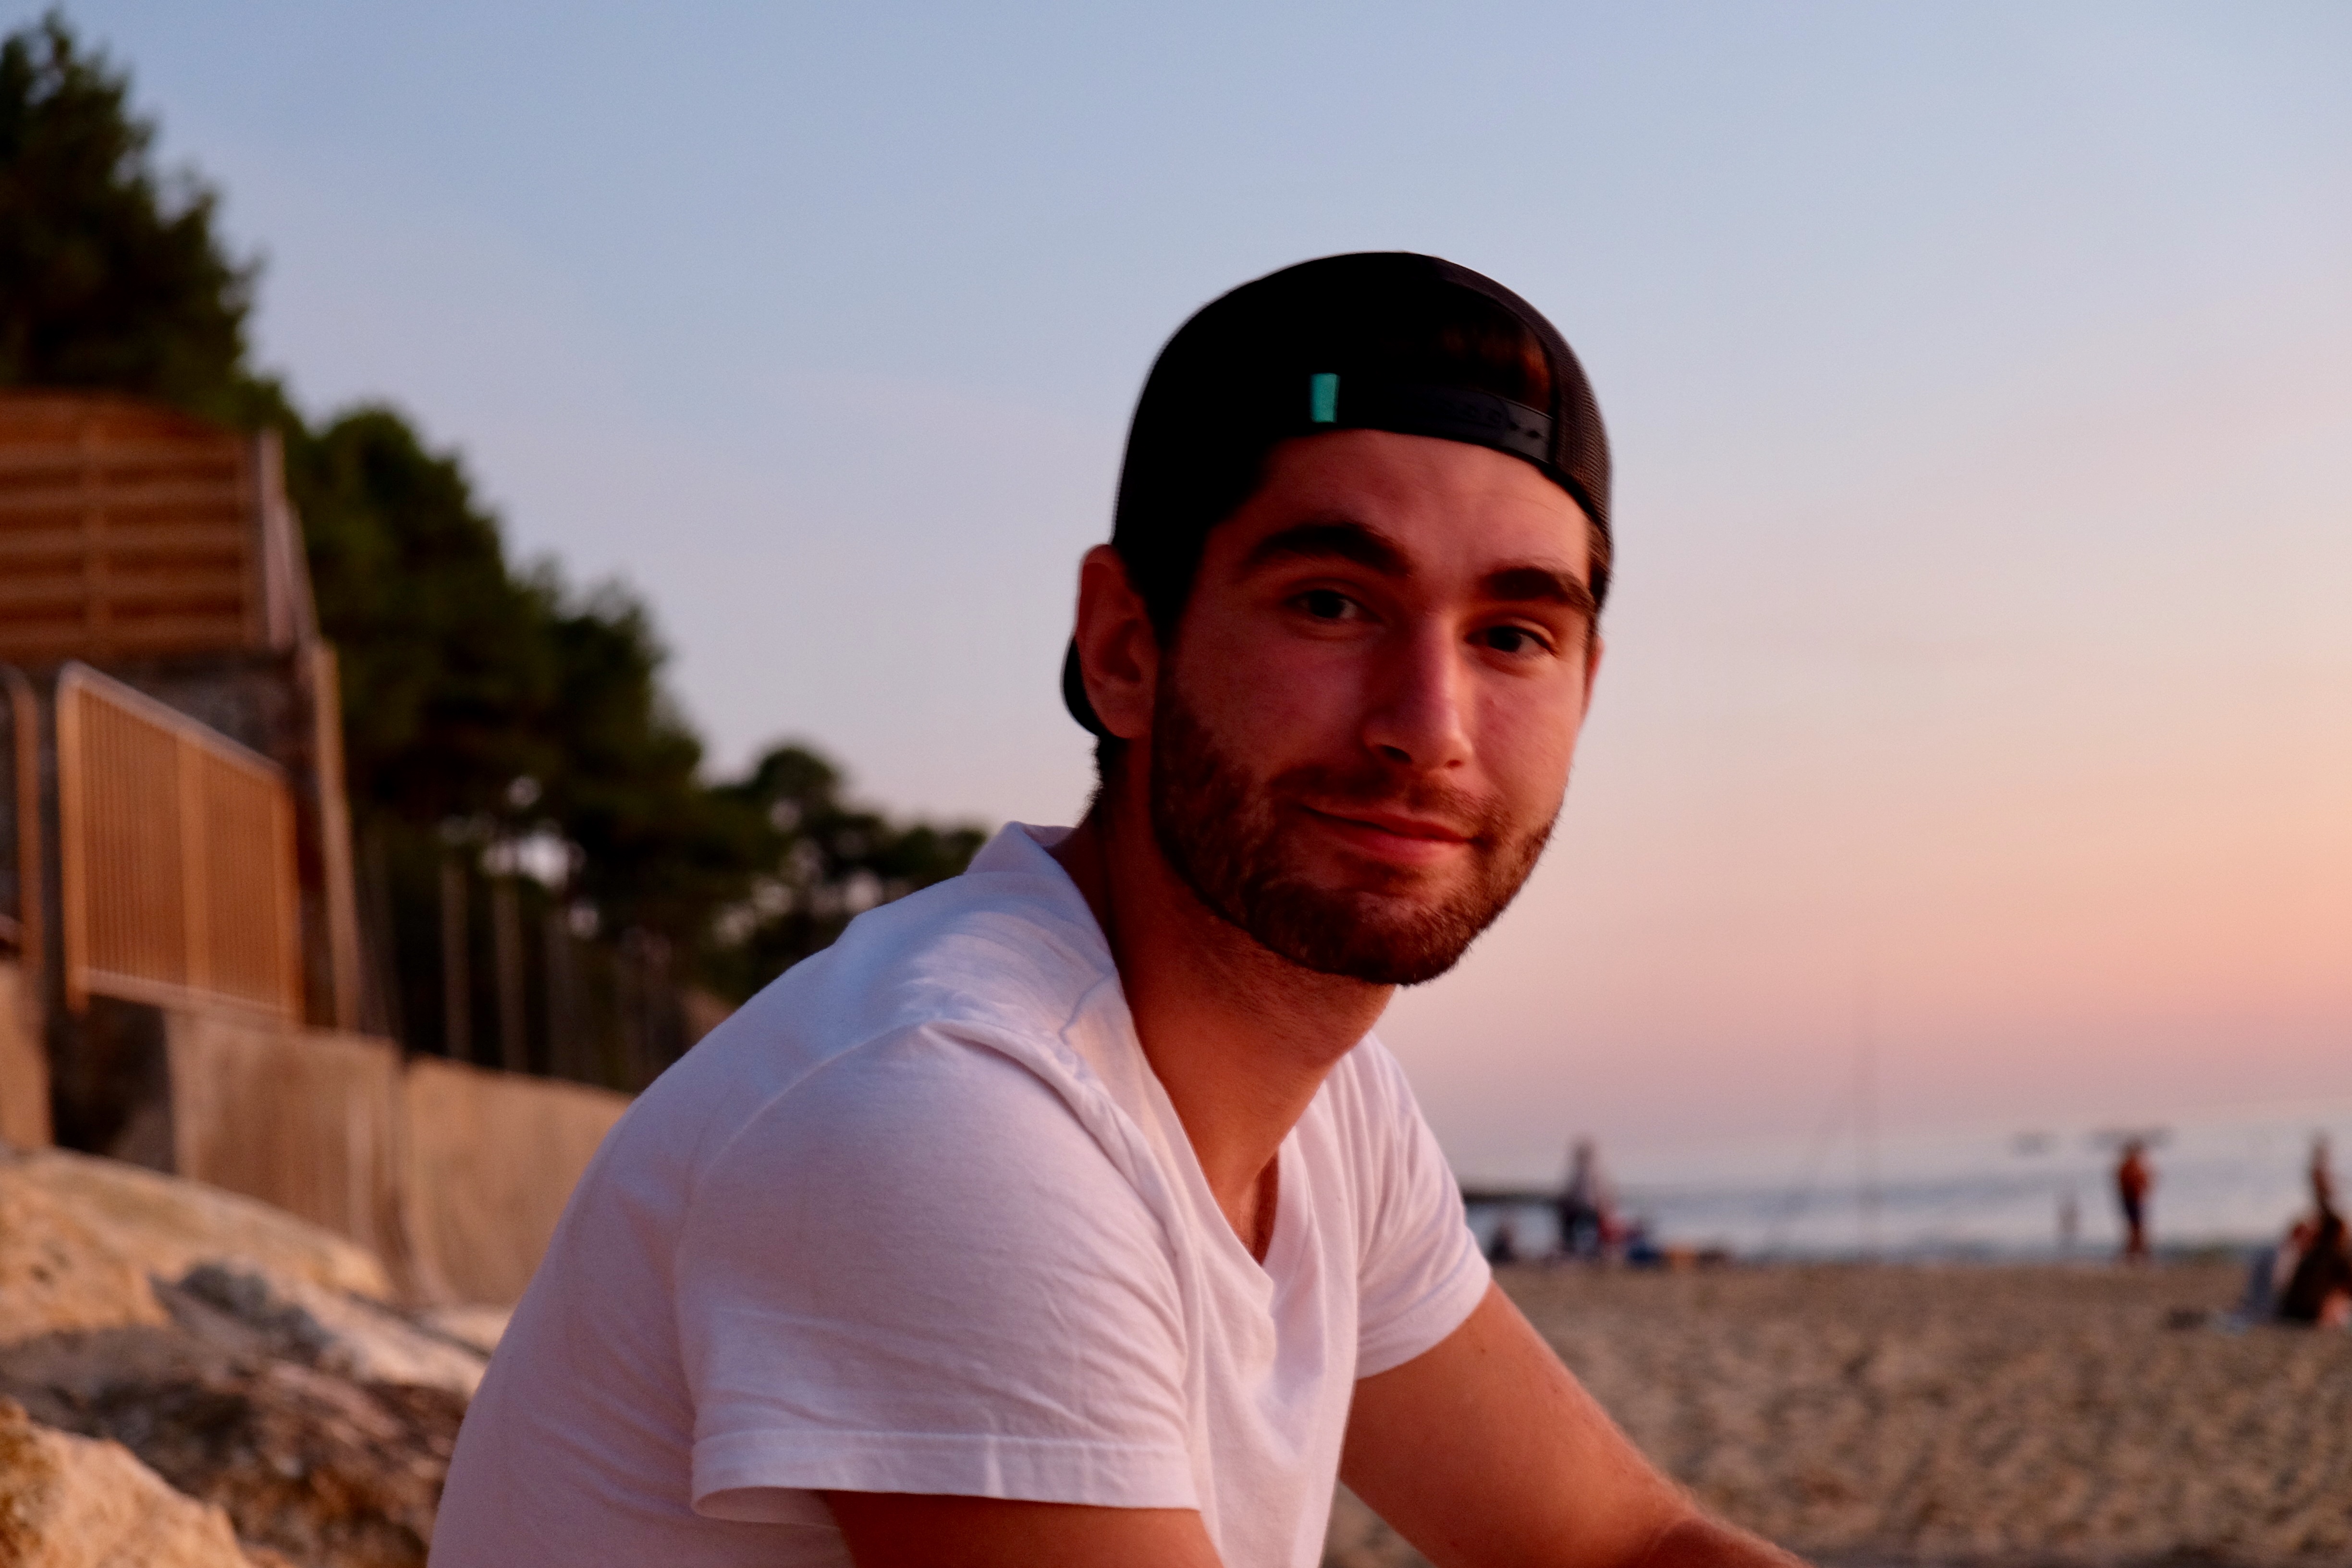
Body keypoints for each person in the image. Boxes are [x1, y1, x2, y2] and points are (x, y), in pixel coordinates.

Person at [431, 254, 1799, 1567]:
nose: (1428, 728)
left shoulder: (1332, 1119)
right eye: (1332, 604)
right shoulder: (946, 1110)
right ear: (1126, 646)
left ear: (1585, 688)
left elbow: (1616, 1543)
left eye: (1511, 634)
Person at [1557, 1137, 1617, 1260]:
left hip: (1585, 1210)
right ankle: (1593, 1249)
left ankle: (1569, 1248)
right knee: (1572, 1220)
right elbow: (1603, 1193)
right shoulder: (1595, 1172)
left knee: (1567, 1221)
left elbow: (1572, 1193)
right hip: (1592, 1209)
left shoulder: (1581, 1172)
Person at [2115, 1139, 2154, 1262]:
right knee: (2136, 1228)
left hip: (2135, 1200)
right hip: (2132, 1200)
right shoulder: (2129, 1167)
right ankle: (2136, 1253)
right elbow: (2131, 1184)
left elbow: (2145, 1182)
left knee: (2137, 1227)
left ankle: (2138, 1253)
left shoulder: (2132, 1166)